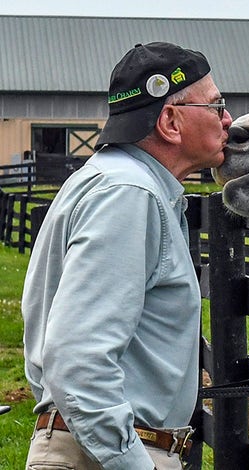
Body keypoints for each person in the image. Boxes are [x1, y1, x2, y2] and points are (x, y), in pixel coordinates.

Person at [21, 41, 230, 470]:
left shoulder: (106, 181)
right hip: (103, 455)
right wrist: (134, 462)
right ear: (170, 121)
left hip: (86, 446)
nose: (227, 119)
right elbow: (77, 360)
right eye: (215, 105)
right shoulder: (129, 194)